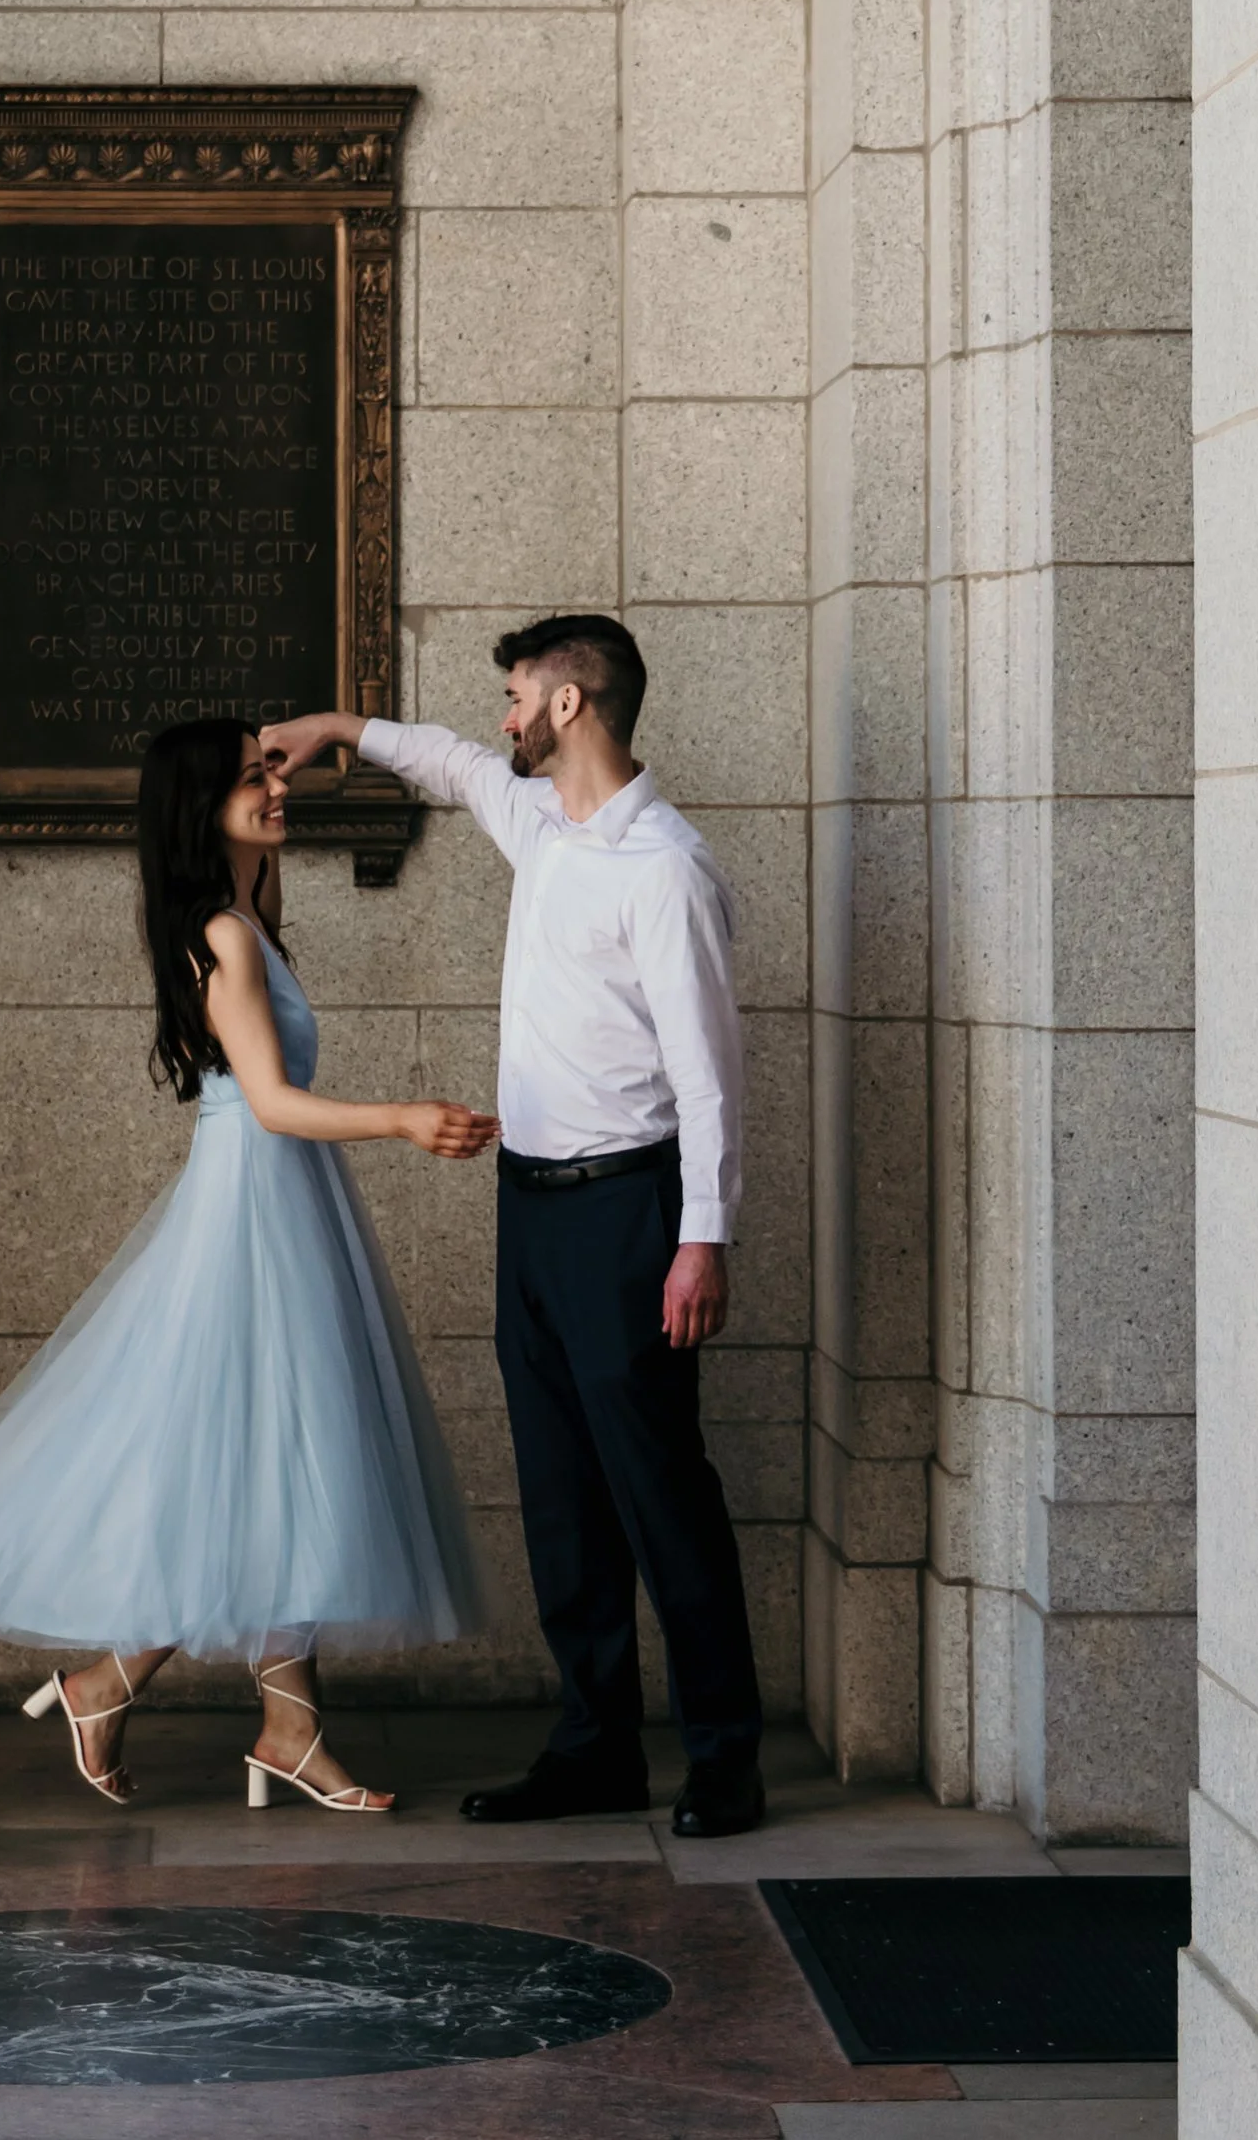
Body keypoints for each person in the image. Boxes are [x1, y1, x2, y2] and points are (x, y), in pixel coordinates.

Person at [0, 716, 493, 1814]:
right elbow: (271, 1103)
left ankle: (208, 1708)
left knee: (276, 1457)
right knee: (272, 1449)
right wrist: (402, 1117)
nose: (277, 790)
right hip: (257, 1203)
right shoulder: (230, 934)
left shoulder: (247, 921)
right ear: (202, 807)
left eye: (272, 773)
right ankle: (160, 1695)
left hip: (274, 1201)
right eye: (254, 780)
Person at [265, 613, 766, 1838]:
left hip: (629, 1214)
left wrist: (703, 1237)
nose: (498, 718)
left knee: (660, 1491)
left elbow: (709, 1077)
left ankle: (725, 1761)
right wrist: (334, 727)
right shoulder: (541, 822)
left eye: (512, 698)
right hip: (530, 1214)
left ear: (568, 706)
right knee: (561, 1496)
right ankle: (594, 1748)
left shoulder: (666, 868)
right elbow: (443, 760)